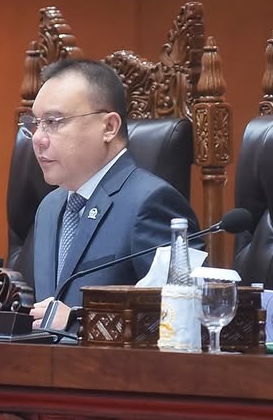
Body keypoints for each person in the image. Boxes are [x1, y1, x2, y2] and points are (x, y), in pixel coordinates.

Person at [25, 59, 198, 329]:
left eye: (53, 122)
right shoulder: (49, 207)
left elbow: (184, 319)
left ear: (109, 127)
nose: (38, 138)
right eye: (35, 123)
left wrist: (78, 323)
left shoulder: (151, 203)